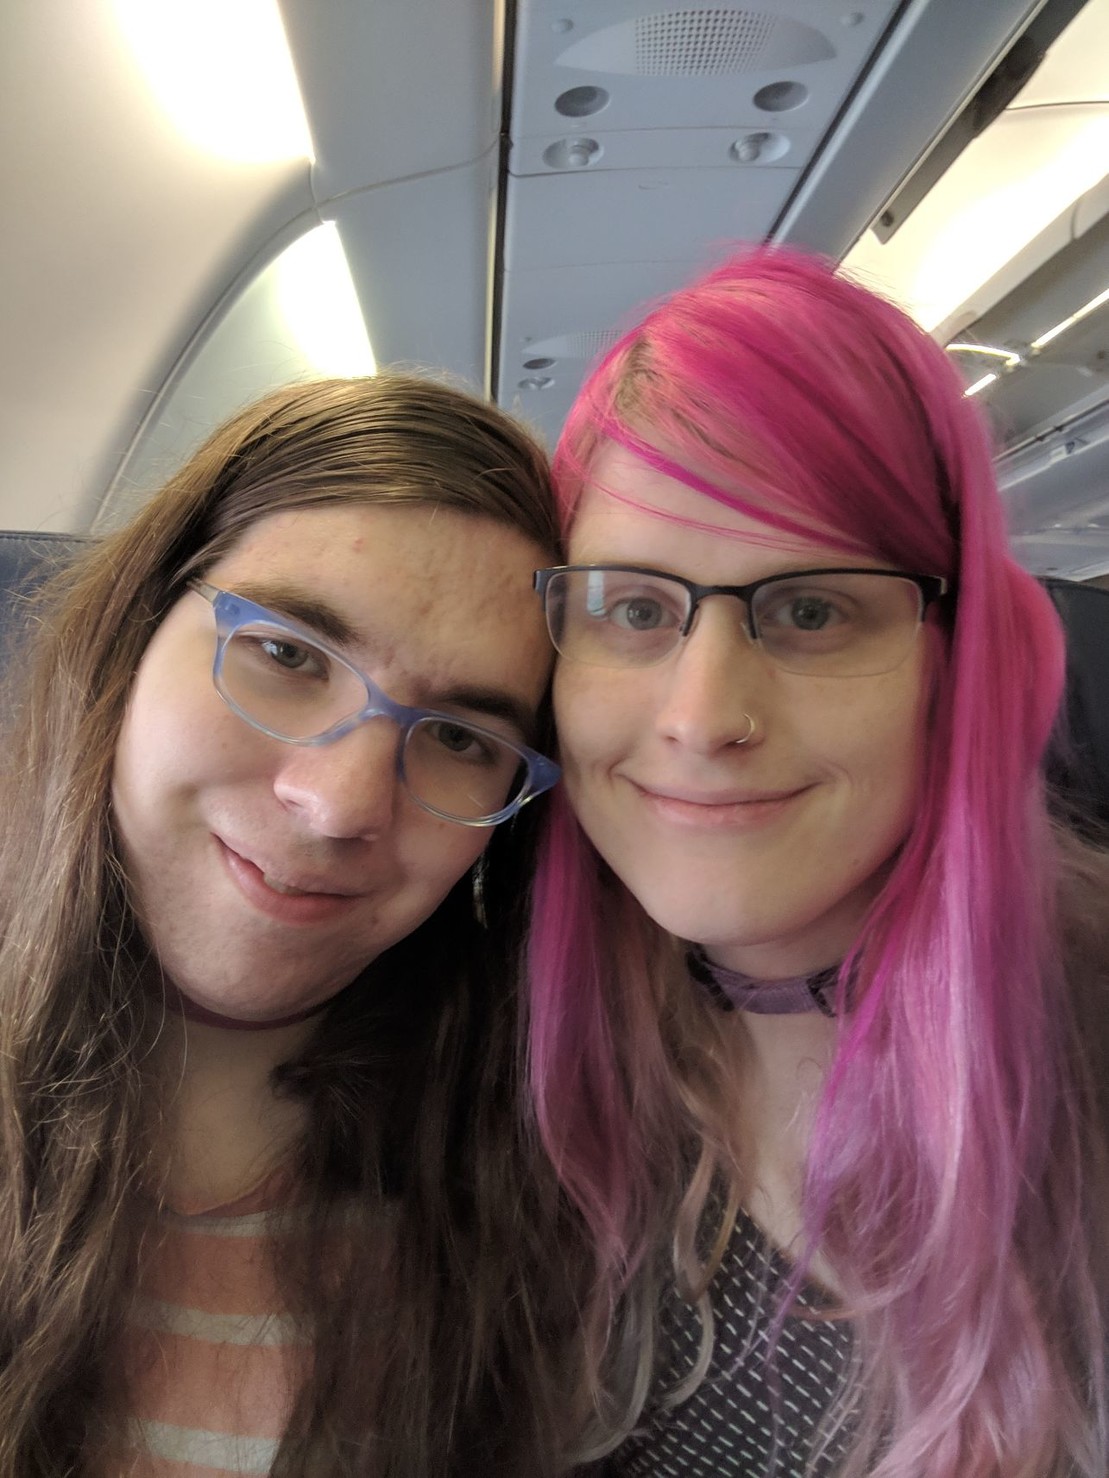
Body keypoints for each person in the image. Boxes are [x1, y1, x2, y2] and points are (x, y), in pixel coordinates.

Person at [527, 249, 1109, 1477]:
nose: (700, 717)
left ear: (958, 658)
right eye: (634, 609)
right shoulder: (488, 1058)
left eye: (807, 610)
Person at [0, 374, 573, 1477]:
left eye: (458, 737)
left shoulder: (534, 1204)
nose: (342, 803)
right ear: (130, 632)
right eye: (288, 655)